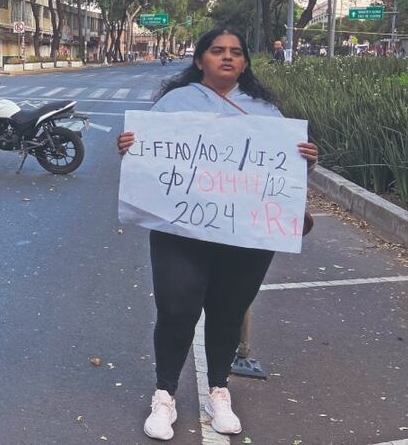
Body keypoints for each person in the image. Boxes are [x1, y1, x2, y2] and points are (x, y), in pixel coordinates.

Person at [116, 27, 319, 440]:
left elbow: (281, 171)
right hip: (181, 231)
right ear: (199, 60)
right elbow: (150, 160)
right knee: (176, 308)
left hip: (246, 236)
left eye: (236, 52)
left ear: (245, 62)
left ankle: (218, 390)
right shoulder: (175, 103)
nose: (227, 58)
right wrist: (129, 148)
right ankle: (164, 394)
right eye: (217, 51)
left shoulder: (265, 111)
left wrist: (306, 160)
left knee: (228, 311)